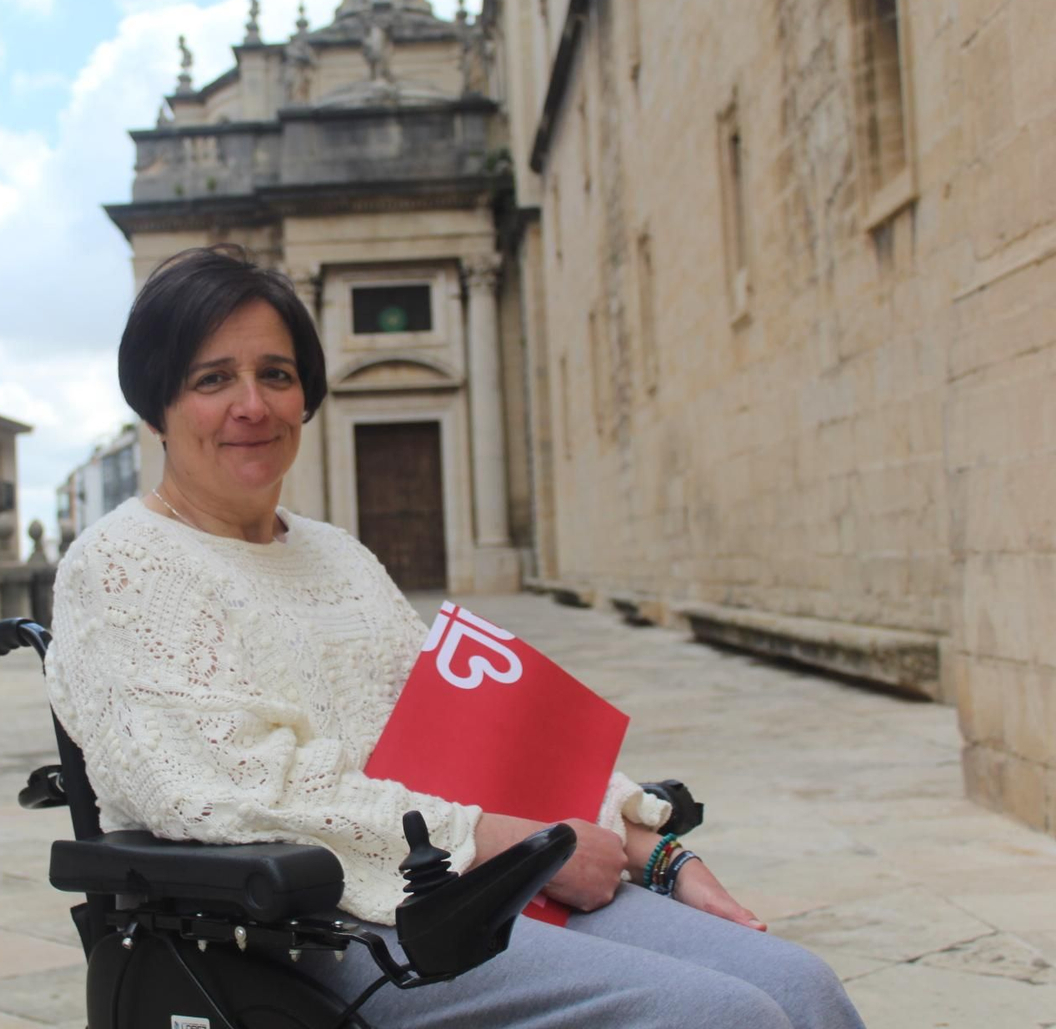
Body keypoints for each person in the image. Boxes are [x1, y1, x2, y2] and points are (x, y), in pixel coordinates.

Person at [46, 245, 865, 1029]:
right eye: (212, 379)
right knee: (725, 1017)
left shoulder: (338, 555)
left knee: (801, 984)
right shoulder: (122, 566)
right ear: (157, 402)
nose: (251, 405)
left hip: (475, 885)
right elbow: (229, 792)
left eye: (277, 375)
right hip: (313, 930)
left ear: (306, 396)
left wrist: (647, 844)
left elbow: (478, 724)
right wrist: (506, 844)